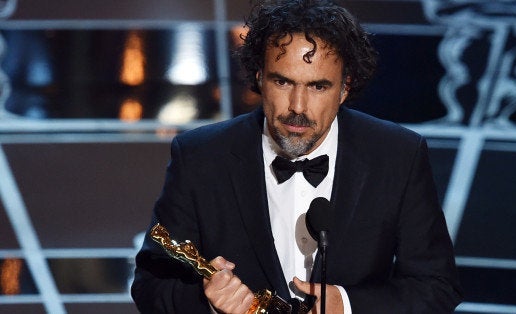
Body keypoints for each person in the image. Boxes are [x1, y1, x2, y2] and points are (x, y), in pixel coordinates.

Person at [131, 0, 463, 313]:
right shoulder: (200, 156)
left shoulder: (398, 155)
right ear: (260, 77)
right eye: (283, 82)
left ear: (345, 88)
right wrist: (207, 302)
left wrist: (346, 305)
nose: (298, 108)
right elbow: (150, 286)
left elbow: (437, 287)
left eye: (318, 86)